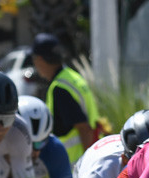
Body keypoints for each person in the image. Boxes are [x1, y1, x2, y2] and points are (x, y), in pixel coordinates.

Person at [28, 33, 98, 165]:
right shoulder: (73, 77)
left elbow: (84, 128)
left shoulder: (60, 88)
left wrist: (87, 166)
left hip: (75, 165)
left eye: (34, 59)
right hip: (90, 155)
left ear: (40, 59)